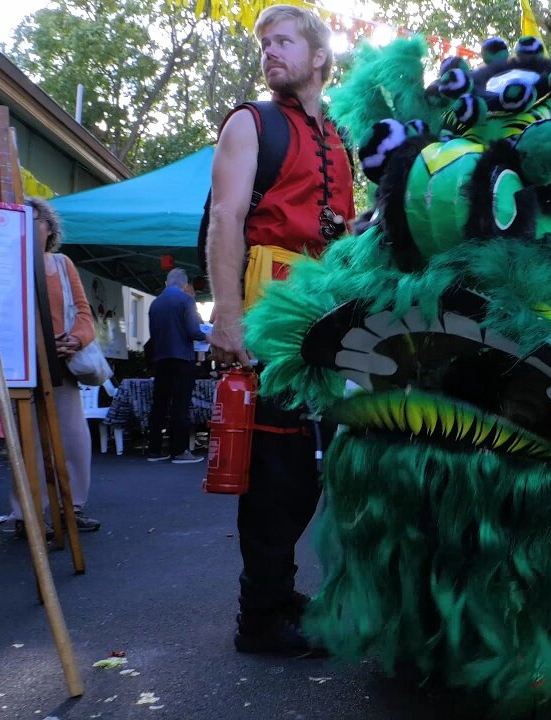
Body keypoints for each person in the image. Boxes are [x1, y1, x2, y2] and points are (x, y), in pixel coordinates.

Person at [205, 4, 355, 655]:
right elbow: (226, 219)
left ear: (320, 56)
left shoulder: (343, 137)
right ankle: (259, 618)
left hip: (325, 321)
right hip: (268, 316)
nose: (270, 51)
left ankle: (278, 591)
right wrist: (229, 317)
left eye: (284, 40)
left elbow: (345, 235)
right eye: (265, 43)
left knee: (312, 470)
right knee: (275, 470)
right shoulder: (250, 122)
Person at [9, 197, 101, 535]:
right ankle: (25, 516)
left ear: (50, 229)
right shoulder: (8, 261)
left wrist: (76, 339)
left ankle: (71, 508)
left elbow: (84, 313)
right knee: (28, 441)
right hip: (20, 363)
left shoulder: (63, 264)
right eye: (24, 221)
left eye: (37, 221)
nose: (31, 227)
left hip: (60, 363)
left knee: (73, 439)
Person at [146, 268, 206, 463]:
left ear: (166, 283)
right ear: (184, 285)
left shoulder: (155, 304)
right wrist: (209, 337)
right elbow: (193, 331)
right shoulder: (186, 300)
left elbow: (153, 336)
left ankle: (154, 449)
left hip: (161, 360)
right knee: (180, 405)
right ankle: (179, 451)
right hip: (182, 359)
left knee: (159, 405)